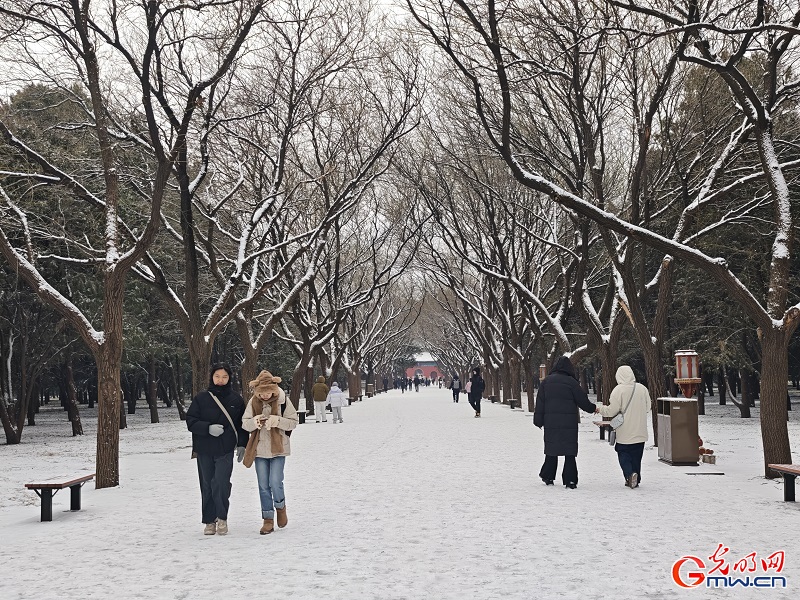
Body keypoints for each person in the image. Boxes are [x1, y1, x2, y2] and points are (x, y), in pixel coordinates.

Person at [186, 363, 248, 535]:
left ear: (229, 378)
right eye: (217, 376)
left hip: (225, 448)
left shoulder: (236, 399)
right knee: (206, 484)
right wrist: (207, 428)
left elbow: (242, 424)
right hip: (205, 448)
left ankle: (222, 517)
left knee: (220, 483)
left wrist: (242, 443)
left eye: (224, 377)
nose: (220, 380)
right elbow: (190, 421)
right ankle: (209, 521)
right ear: (212, 377)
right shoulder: (201, 398)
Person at [242, 370, 298, 534]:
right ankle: (267, 519)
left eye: (268, 392)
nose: (265, 396)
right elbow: (245, 424)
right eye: (262, 392)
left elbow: (293, 422)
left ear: (274, 389)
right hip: (259, 450)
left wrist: (277, 421)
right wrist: (254, 422)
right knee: (263, 485)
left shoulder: (283, 401)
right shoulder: (253, 402)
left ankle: (280, 508)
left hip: (278, 448)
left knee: (275, 481)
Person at [533, 356, 596, 488]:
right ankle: (570, 480)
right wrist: (593, 408)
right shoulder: (572, 383)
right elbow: (582, 401)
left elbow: (540, 403)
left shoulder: (546, 382)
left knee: (551, 449)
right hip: (569, 423)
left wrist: (538, 421)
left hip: (551, 423)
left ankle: (548, 476)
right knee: (569, 451)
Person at [596, 365, 651, 488]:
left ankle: (630, 475)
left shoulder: (618, 390)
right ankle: (636, 478)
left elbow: (611, 411)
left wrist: (600, 409)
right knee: (637, 456)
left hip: (625, 432)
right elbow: (648, 408)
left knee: (623, 453)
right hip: (640, 431)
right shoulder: (642, 389)